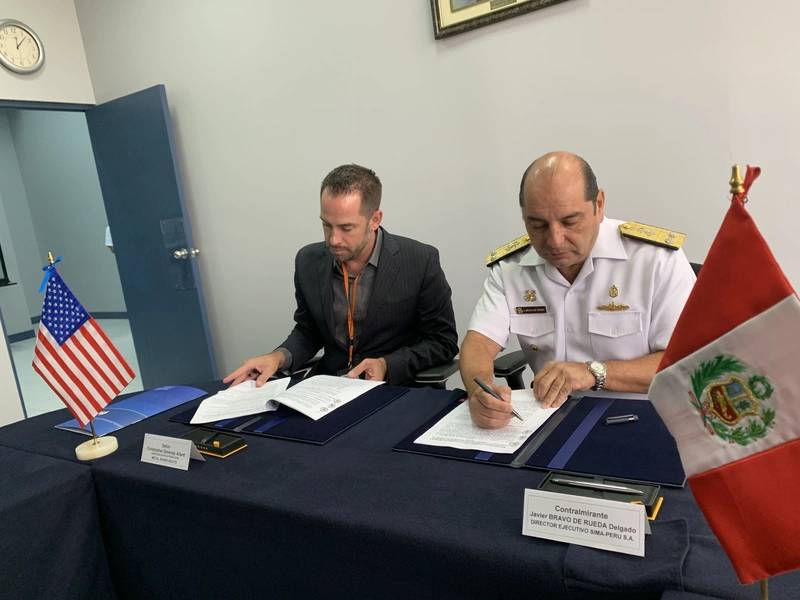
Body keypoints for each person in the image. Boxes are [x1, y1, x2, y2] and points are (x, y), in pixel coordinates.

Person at [460, 151, 696, 428]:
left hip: (645, 417)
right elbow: (478, 344)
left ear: (599, 204)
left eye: (570, 222)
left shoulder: (655, 260)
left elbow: (685, 365)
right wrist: (480, 391)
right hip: (552, 419)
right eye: (538, 225)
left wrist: (593, 373)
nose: (555, 240)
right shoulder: (512, 267)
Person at [224, 163, 458, 387]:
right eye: (326, 225)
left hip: (396, 388)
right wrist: (277, 357)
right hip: (329, 389)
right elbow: (308, 332)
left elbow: (442, 342)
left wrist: (387, 364)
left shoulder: (419, 260)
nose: (333, 239)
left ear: (375, 219)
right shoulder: (307, 260)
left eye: (346, 228)